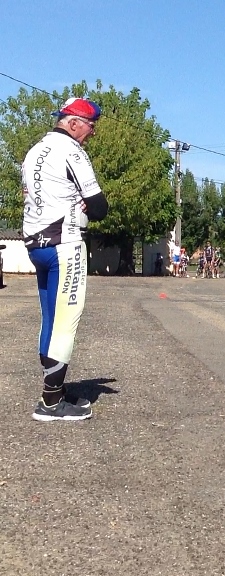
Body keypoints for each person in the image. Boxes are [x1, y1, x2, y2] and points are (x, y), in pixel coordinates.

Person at [22, 97, 108, 421]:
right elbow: (99, 206)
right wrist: (89, 204)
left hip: (36, 245)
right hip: (65, 243)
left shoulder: (34, 152)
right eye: (90, 126)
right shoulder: (72, 152)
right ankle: (50, 403)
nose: (92, 133)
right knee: (66, 320)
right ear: (73, 123)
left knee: (49, 317)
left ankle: (54, 389)